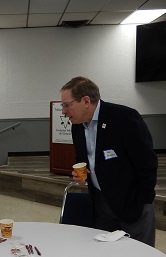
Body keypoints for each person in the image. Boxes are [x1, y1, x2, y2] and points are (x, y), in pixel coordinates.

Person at [60, 76, 158, 246]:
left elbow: (147, 162)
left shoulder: (124, 118)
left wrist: (144, 200)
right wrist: (81, 174)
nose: (63, 111)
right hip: (101, 203)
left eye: (67, 105)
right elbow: (82, 158)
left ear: (85, 101)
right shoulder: (76, 126)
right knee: (105, 254)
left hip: (133, 203)